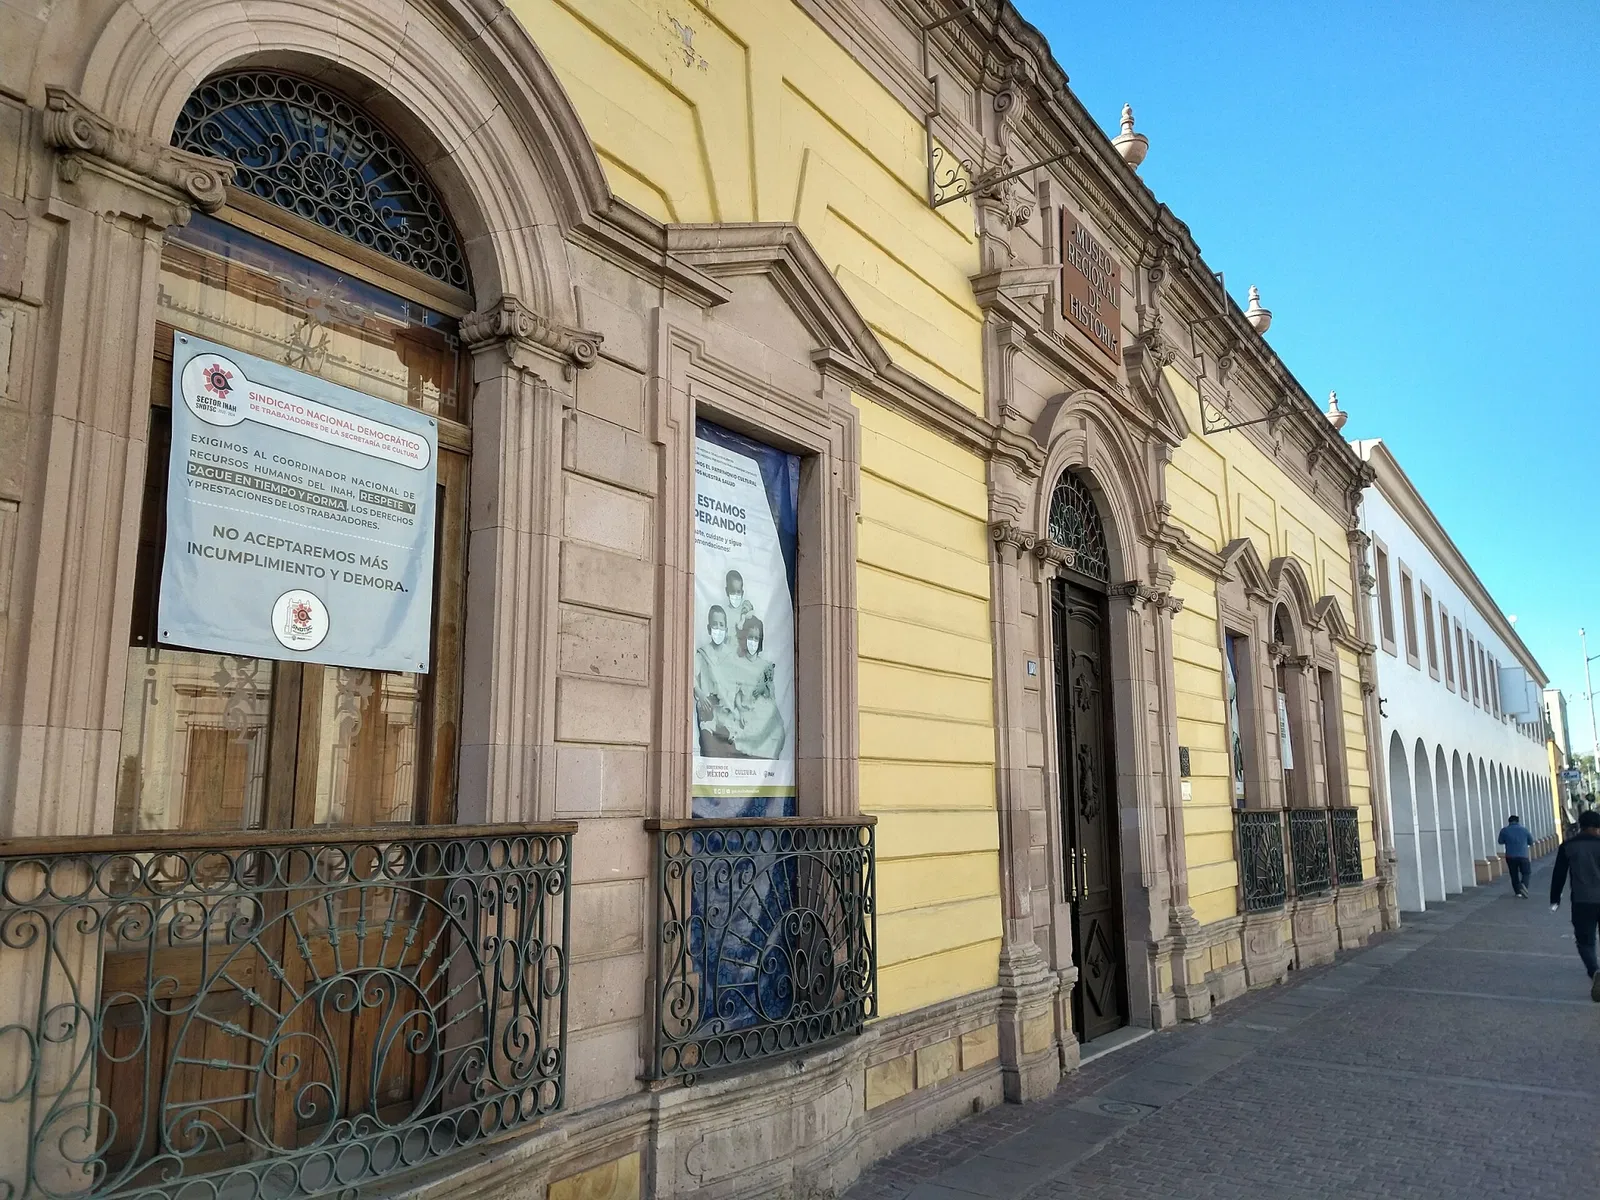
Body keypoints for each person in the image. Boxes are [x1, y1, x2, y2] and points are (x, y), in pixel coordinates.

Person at [1549, 809, 1600, 1002]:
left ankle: (1595, 971)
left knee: (1585, 941)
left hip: (1582, 901)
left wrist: (1555, 899)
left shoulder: (1568, 846)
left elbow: (1559, 874)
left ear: (1580, 825)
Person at [724, 615, 786, 759]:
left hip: (764, 710)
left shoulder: (765, 666)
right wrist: (740, 710)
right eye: (750, 638)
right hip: (746, 711)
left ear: (760, 641)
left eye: (756, 639)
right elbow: (736, 695)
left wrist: (765, 688)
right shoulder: (737, 664)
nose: (753, 642)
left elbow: (771, 695)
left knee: (776, 731)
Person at [693, 606, 739, 757]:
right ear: (708, 628)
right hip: (709, 718)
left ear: (726, 629)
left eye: (721, 625)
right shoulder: (702, 654)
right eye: (714, 625)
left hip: (728, 719)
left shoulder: (732, 657)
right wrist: (699, 693)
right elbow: (691, 676)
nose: (718, 629)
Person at [1496, 814, 1535, 897]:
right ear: (1518, 821)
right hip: (1523, 856)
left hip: (1510, 856)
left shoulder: (1504, 830)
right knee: (1526, 872)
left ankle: (1517, 892)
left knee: (1514, 874)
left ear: (1509, 822)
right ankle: (1524, 885)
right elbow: (1531, 842)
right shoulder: (1524, 830)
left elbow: (1500, 841)